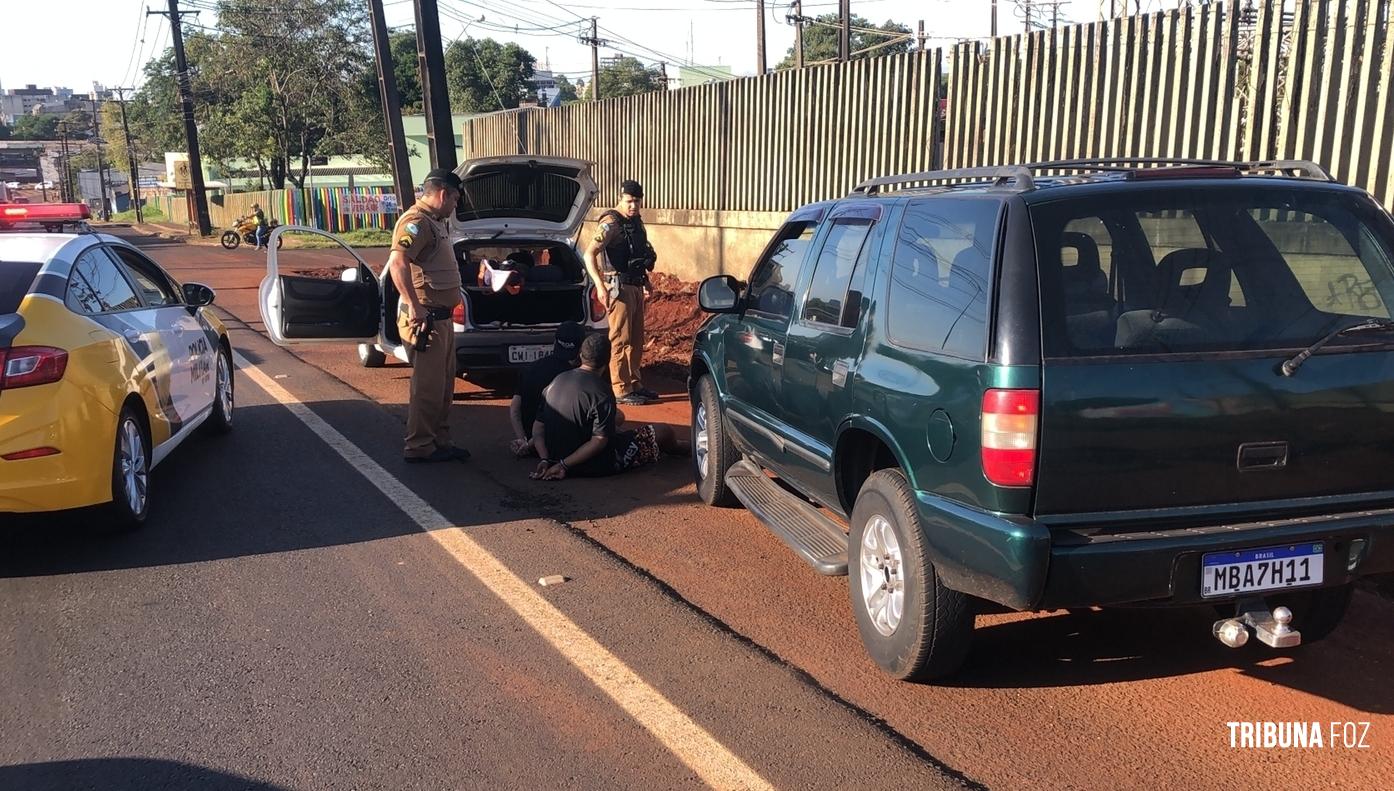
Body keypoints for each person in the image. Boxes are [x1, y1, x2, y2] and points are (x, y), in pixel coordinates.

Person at [388, 168, 470, 464]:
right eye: (456, 199)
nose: (456, 205)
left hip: (442, 320)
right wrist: (415, 306)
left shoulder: (436, 222)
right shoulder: (416, 223)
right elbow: (398, 264)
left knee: (444, 386)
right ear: (444, 193)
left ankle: (439, 440)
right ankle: (419, 445)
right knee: (428, 387)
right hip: (427, 320)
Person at [529, 334, 688, 481]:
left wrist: (546, 459)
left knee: (615, 421)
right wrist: (564, 465)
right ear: (607, 360)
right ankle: (690, 449)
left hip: (556, 457)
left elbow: (538, 428)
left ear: (580, 355)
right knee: (664, 431)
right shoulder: (601, 391)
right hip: (593, 465)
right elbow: (599, 441)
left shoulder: (557, 380)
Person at [583, 179, 659, 407]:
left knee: (636, 339)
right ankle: (620, 388)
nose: (633, 205)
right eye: (629, 201)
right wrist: (599, 284)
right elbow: (590, 254)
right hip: (618, 287)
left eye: (637, 201)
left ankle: (635, 383)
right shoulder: (611, 223)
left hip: (634, 286)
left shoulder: (636, 223)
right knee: (621, 339)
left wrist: (645, 280)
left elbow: (637, 254)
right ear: (620, 198)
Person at [509, 320, 586, 458]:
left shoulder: (529, 369)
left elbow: (514, 408)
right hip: (559, 445)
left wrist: (523, 440)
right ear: (580, 349)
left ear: (555, 342)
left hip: (533, 442)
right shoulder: (574, 378)